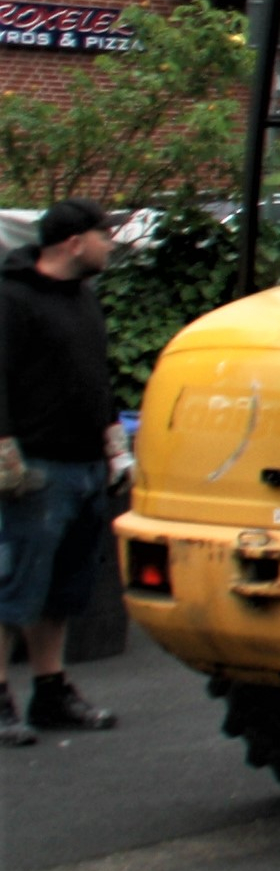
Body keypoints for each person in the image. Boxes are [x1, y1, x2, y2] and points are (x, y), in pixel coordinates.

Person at [1, 197, 126, 743]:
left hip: (85, 466)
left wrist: (114, 444)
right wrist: (5, 452)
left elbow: (93, 376)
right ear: (74, 242)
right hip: (35, 467)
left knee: (61, 590)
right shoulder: (11, 299)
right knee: (13, 589)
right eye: (105, 234)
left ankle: (51, 692)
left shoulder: (83, 298)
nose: (112, 243)